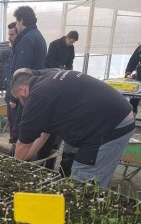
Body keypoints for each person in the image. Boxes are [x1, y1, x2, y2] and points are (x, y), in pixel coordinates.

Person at [11, 68, 135, 188]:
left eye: (18, 98)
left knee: (84, 180)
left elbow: (24, 142)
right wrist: (26, 158)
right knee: (84, 176)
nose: (21, 104)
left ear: (22, 90)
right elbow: (44, 132)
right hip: (115, 116)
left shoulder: (37, 95)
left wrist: (13, 169)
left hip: (109, 126)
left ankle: (89, 201)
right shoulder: (47, 79)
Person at [5, 6, 47, 149]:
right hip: (34, 88)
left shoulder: (27, 38)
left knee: (20, 128)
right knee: (28, 126)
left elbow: (20, 71)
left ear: (22, 20)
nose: (16, 26)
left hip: (24, 93)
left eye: (17, 22)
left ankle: (17, 158)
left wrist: (13, 97)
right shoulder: (38, 36)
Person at [46, 30, 79, 176]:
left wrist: (68, 71)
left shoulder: (70, 48)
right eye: (71, 41)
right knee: (51, 142)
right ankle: (48, 166)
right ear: (67, 37)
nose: (71, 44)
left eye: (73, 43)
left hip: (64, 77)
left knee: (63, 145)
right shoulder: (54, 45)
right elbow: (48, 61)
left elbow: (70, 61)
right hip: (54, 75)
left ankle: (63, 170)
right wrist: (59, 68)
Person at [5, 22, 19, 145]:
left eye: (12, 34)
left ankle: (16, 151)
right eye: (8, 34)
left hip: (15, 97)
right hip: (10, 95)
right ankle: (13, 147)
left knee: (16, 126)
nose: (9, 37)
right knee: (11, 123)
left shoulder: (20, 50)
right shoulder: (13, 50)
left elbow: (18, 76)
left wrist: (13, 98)